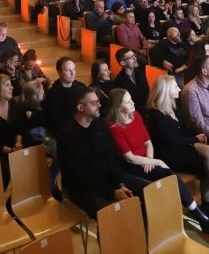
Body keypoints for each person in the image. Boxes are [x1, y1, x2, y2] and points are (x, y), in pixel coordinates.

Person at [107, 88, 209, 236]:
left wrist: (150, 160)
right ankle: (201, 218)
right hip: (133, 167)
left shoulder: (136, 115)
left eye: (131, 98)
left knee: (173, 175)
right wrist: (157, 162)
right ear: (118, 107)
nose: (133, 102)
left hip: (147, 162)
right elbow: (129, 158)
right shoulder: (114, 127)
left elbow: (147, 142)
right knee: (170, 176)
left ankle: (203, 217)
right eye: (128, 101)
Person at [145, 75, 209, 224]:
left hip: (180, 147)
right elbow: (171, 141)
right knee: (207, 163)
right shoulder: (156, 114)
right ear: (166, 91)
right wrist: (194, 140)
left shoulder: (172, 107)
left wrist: (196, 136)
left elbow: (182, 131)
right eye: (175, 87)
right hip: (169, 154)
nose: (179, 89)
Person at [57, 85, 149, 217]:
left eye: (98, 101)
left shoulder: (100, 124)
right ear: (80, 107)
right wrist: (111, 192)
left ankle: (143, 233)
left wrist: (119, 184)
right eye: (94, 103)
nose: (99, 105)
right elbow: (78, 175)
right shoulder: (67, 133)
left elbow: (110, 158)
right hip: (83, 188)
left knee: (148, 189)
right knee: (109, 214)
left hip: (107, 179)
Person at [42, 56, 80, 135]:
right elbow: (52, 120)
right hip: (63, 133)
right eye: (67, 70)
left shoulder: (81, 87)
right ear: (59, 72)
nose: (72, 73)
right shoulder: (52, 94)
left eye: (74, 69)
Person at [111, 47, 150, 115]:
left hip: (147, 109)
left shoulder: (140, 72)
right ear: (123, 63)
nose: (135, 58)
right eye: (131, 57)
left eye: (134, 55)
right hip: (133, 113)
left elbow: (147, 90)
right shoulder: (119, 81)